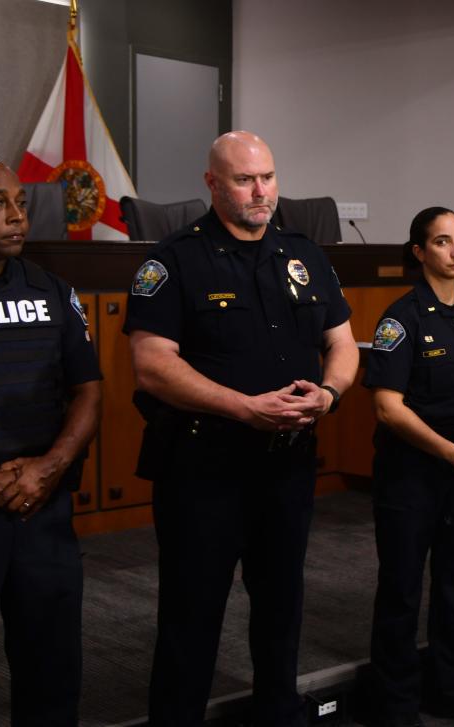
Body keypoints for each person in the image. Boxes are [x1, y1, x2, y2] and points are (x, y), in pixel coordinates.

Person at [124, 131, 359, 727]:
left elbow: (342, 343)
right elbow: (153, 365)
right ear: (212, 183)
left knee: (281, 605)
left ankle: (278, 713)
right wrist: (242, 407)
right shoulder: (175, 260)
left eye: (269, 178)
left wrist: (329, 394)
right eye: (244, 179)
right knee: (192, 612)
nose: (261, 192)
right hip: (205, 467)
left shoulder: (305, 254)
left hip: (286, 463)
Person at [0, 155, 102, 726]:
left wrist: (49, 468)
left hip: (43, 510)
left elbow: (88, 390)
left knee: (52, 677)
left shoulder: (52, 290)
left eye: (20, 203)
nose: (15, 217)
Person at [364, 208, 454, 727]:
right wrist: (447, 450)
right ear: (419, 252)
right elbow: (388, 407)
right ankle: (394, 702)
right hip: (412, 473)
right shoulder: (401, 318)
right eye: (442, 242)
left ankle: (449, 687)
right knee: (402, 590)